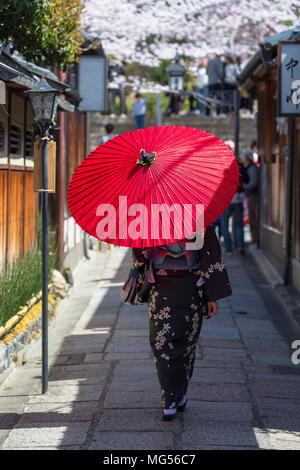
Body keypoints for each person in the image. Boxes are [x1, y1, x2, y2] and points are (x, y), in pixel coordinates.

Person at [131, 225, 232, 421]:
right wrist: (212, 295)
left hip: (166, 286)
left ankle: (172, 399)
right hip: (185, 285)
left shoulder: (150, 214)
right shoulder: (198, 213)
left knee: (168, 343)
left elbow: (139, 254)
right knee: (178, 343)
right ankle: (174, 396)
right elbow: (210, 253)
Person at [241, 149, 259, 244]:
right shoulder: (248, 167)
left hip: (252, 194)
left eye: (244, 156)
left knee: (252, 216)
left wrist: (244, 187)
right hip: (249, 194)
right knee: (251, 216)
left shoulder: (252, 168)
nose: (242, 158)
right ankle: (254, 238)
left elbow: (253, 182)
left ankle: (254, 238)